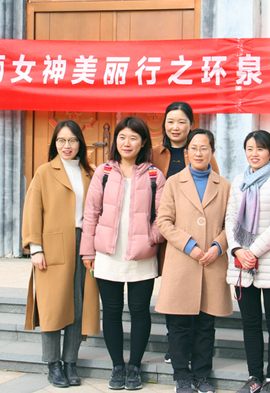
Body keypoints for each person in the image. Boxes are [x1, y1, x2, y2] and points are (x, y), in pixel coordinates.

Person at [80, 116, 166, 391]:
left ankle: (135, 366)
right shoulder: (103, 172)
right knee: (112, 311)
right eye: (122, 137)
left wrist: (152, 238)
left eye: (133, 137)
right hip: (108, 255)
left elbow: (163, 215)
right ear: (115, 141)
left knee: (140, 312)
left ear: (143, 142)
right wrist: (87, 251)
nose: (126, 143)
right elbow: (90, 213)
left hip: (142, 255)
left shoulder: (154, 175)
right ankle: (118, 366)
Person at [22, 120, 101, 388]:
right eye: (61, 140)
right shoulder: (44, 172)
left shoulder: (89, 173)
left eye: (72, 140)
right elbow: (33, 210)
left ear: (80, 143)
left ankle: (70, 362)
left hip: (84, 244)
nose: (67, 146)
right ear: (54, 143)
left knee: (78, 307)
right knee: (53, 308)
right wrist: (35, 247)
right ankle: (53, 364)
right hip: (53, 245)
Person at [156, 129, 232, 393]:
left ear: (212, 152)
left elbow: (231, 224)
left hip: (212, 262)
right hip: (182, 261)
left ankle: (202, 375)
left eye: (204, 148)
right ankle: (182, 376)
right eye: (194, 148)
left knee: (205, 324)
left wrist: (218, 246)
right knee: (178, 324)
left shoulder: (224, 186)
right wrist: (190, 246)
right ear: (187, 152)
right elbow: (164, 222)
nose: (199, 153)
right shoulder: (174, 183)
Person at [150, 101, 218, 364]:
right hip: (166, 234)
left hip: (197, 239)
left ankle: (192, 343)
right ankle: (176, 343)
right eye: (170, 121)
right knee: (173, 288)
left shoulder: (202, 153)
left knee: (195, 287)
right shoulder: (155, 154)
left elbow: (216, 196)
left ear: (191, 124)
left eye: (181, 121)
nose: (175, 127)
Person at [225, 131, 270, 393]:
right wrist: (237, 250)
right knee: (250, 323)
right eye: (250, 148)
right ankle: (254, 375)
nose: (254, 154)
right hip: (242, 263)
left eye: (261, 149)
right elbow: (230, 219)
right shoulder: (239, 180)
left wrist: (252, 251)